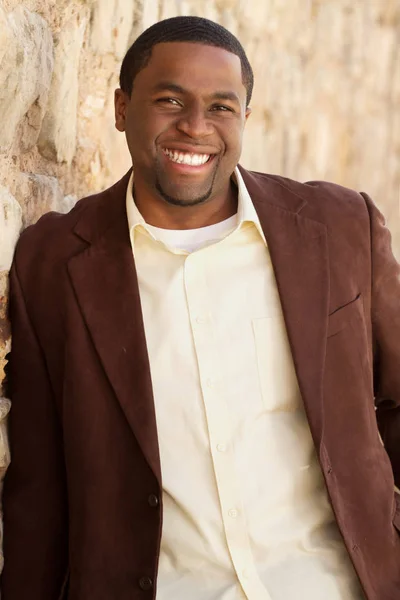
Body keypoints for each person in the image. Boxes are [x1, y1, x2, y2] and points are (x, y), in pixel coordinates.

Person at [1, 14, 400, 600]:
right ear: (120, 108)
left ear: (244, 117)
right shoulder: (54, 263)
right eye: (169, 100)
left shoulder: (339, 229)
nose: (195, 127)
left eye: (220, 107)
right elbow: (38, 488)